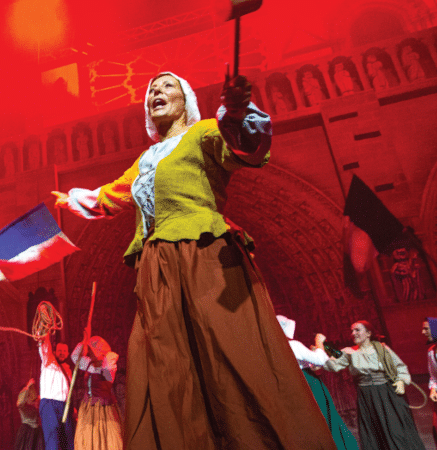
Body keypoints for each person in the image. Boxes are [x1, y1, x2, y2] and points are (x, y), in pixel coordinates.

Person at [52, 71, 336, 449]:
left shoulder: (203, 132)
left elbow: (244, 147)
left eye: (167, 85)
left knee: (230, 352)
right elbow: (113, 194)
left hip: (204, 255)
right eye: (151, 89)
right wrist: (75, 199)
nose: (156, 91)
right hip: (158, 269)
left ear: (186, 100)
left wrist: (236, 113)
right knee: (166, 366)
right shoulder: (145, 160)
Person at [323, 320, 426, 450]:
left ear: (368, 333)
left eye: (357, 330)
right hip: (367, 396)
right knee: (374, 430)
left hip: (387, 393)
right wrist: (323, 346)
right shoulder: (349, 352)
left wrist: (401, 380)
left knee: (395, 428)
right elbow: (332, 362)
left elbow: (399, 366)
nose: (353, 333)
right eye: (352, 331)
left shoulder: (382, 348)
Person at [276, 315, 358, 450]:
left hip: (295, 385)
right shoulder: (293, 345)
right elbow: (321, 360)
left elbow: (307, 364)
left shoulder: (275, 349)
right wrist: (319, 342)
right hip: (309, 384)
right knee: (325, 417)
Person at [70, 334, 122, 450]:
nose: (88, 353)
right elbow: (75, 357)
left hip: (104, 408)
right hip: (88, 407)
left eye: (90, 350)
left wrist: (100, 363)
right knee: (88, 439)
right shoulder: (89, 364)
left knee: (104, 437)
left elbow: (108, 376)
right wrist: (84, 340)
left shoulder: (108, 364)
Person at [38, 335, 75, 450]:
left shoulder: (68, 369)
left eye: (64, 351)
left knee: (68, 440)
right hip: (49, 404)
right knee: (53, 440)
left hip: (65, 406)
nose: (62, 353)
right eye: (59, 350)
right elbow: (44, 347)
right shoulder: (48, 361)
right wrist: (45, 334)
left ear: (68, 353)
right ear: (54, 351)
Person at [14, 379, 44, 450]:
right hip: (27, 432)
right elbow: (20, 402)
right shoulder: (23, 406)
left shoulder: (36, 404)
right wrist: (28, 386)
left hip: (37, 432)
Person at [424, 317, 437, 445]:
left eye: (426, 329)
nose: (423, 332)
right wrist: (433, 388)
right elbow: (433, 376)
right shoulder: (431, 352)